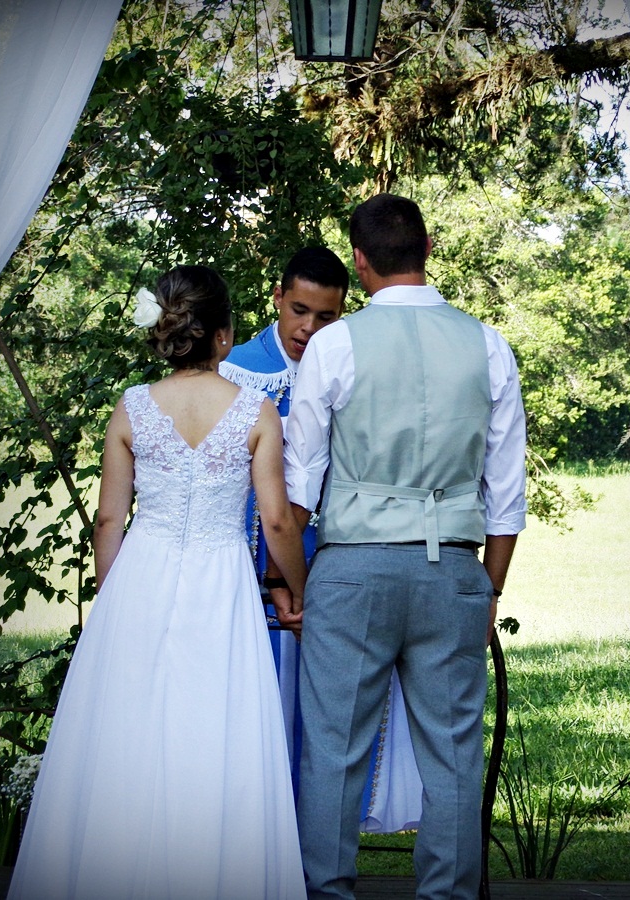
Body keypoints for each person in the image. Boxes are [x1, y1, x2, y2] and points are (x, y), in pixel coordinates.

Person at [7, 265, 307, 899]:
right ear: (224, 336)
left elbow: (110, 518)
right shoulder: (256, 412)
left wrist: (113, 603)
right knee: (213, 729)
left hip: (140, 575)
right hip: (221, 582)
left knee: (128, 735)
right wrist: (297, 588)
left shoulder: (133, 408)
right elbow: (277, 519)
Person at [275, 194, 527, 899]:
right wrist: (489, 589)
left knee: (334, 750)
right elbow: (506, 495)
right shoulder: (487, 344)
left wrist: (293, 582)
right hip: (451, 569)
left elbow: (299, 489)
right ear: (430, 248)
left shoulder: (333, 344)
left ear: (358, 262)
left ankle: (327, 892)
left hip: (352, 570)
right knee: (451, 755)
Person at [220, 247, 423, 833]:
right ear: (278, 298)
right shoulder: (234, 370)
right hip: (253, 566)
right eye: (300, 311)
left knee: (328, 712)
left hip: (336, 563)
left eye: (327, 317)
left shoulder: (354, 365)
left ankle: (316, 850)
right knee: (258, 713)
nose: (309, 329)